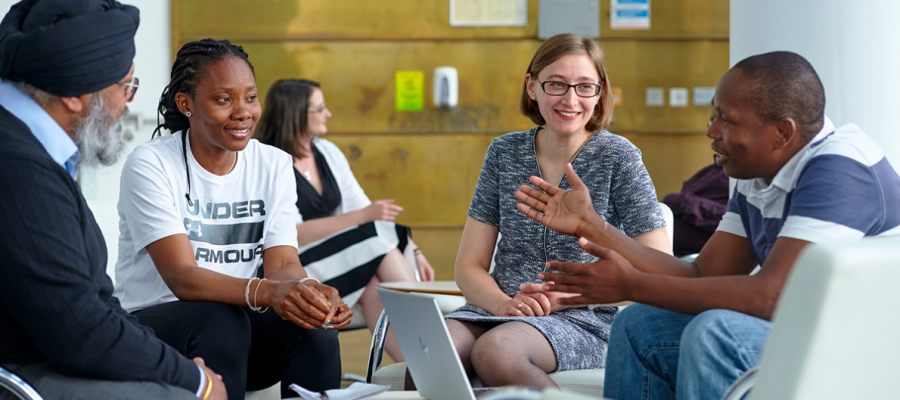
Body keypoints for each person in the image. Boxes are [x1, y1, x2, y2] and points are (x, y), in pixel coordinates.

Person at [515, 51, 900, 400]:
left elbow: (773, 298)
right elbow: (703, 272)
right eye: (713, 114)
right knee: (638, 323)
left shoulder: (840, 168)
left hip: (869, 347)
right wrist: (594, 226)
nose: (711, 131)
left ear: (782, 131)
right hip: (808, 331)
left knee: (716, 333)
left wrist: (630, 284)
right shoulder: (758, 172)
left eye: (727, 120)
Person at [0, 1, 226, 399]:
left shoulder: (26, 146)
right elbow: (81, 334)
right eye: (126, 86)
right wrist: (197, 381)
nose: (128, 103)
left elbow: (93, 303)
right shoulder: (18, 166)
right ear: (74, 95)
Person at [112, 39, 352, 400]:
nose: (243, 112)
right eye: (224, 99)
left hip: (236, 333)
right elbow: (183, 278)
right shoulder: (151, 165)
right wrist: (269, 292)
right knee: (222, 320)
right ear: (186, 103)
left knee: (312, 327)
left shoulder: (272, 164)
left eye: (251, 98)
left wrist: (306, 294)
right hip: (156, 331)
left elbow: (283, 263)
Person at [434, 33, 671, 389]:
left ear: (600, 91)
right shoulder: (505, 153)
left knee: (496, 352)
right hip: (499, 307)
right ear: (532, 86)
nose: (571, 99)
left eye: (585, 86)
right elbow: (468, 265)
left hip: (585, 316)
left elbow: (659, 266)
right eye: (556, 84)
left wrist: (556, 299)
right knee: (438, 351)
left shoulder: (619, 157)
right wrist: (505, 305)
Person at [254, 78, 435, 361]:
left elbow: (366, 210)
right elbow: (294, 233)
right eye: (320, 109)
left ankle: (420, 366)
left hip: (345, 258)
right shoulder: (268, 161)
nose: (328, 114)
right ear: (297, 113)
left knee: (377, 285)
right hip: (298, 266)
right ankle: (432, 330)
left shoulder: (327, 152)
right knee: (376, 240)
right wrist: (364, 219)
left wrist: (412, 247)